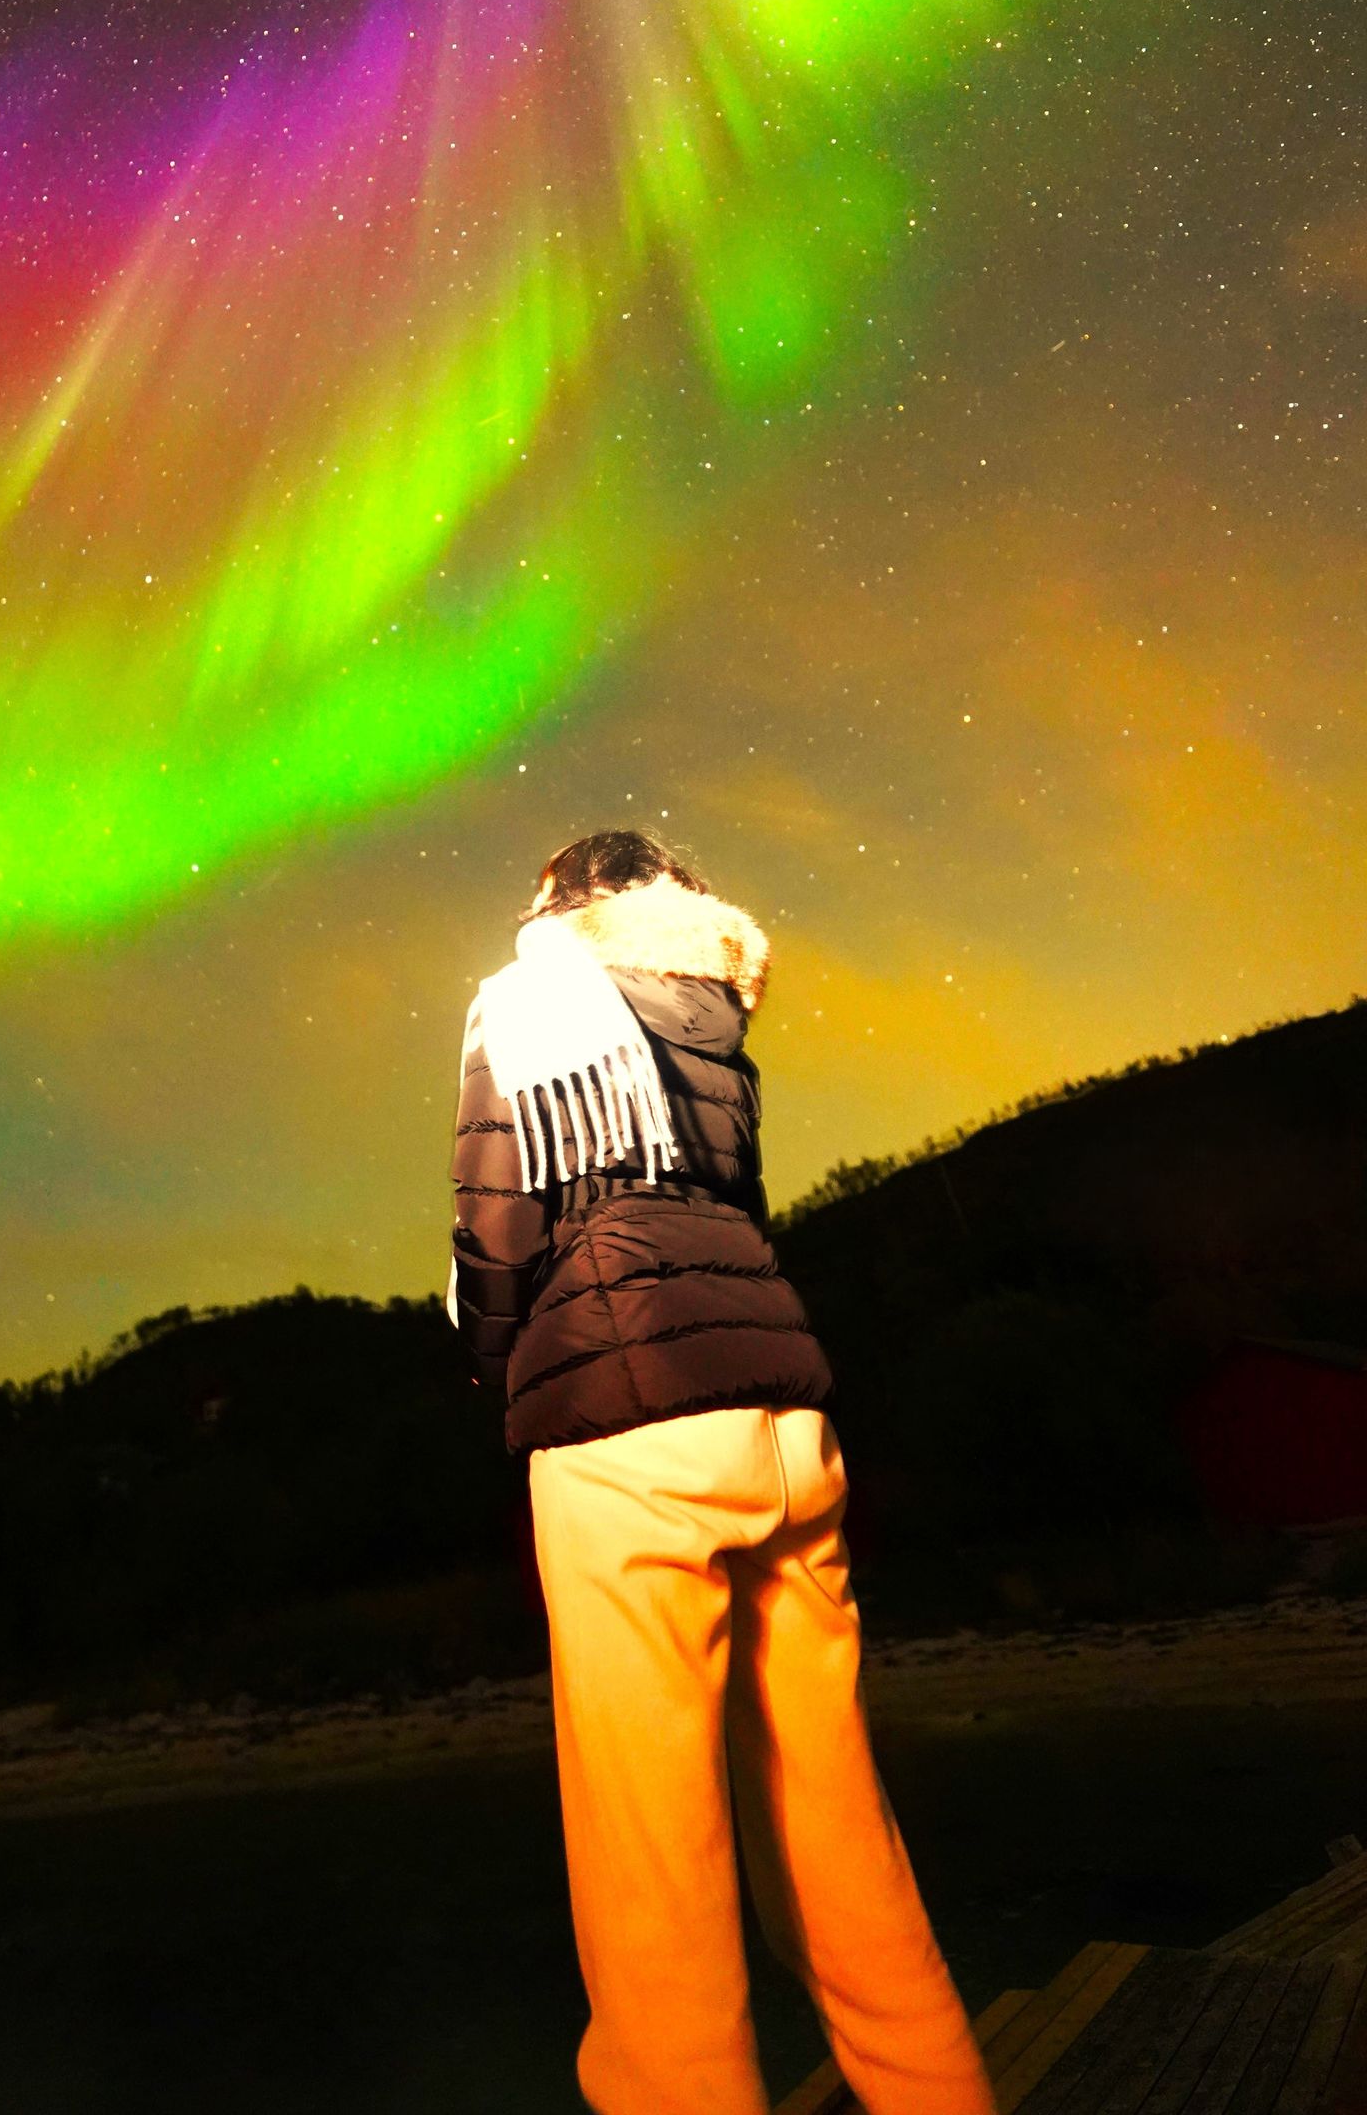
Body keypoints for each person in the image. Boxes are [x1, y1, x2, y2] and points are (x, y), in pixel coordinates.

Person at [448, 827, 994, 2115]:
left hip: (626, 1425)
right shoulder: (711, 1014)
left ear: (562, 903)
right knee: (832, 1816)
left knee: (654, 1851)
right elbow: (725, 1201)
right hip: (784, 1411)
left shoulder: (530, 998)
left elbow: (497, 1222)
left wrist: (497, 1367)